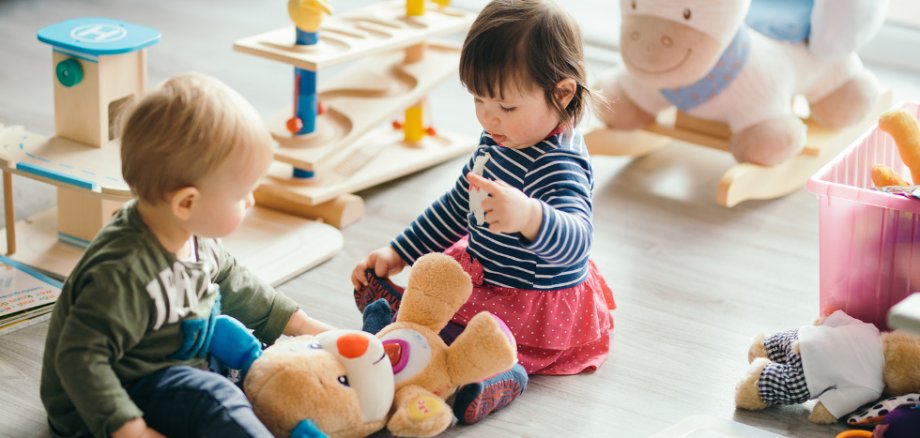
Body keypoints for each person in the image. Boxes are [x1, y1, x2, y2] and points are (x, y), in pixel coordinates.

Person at [352, 0, 616, 425]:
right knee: (439, 281)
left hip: (532, 302)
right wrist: (400, 251)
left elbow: (578, 243)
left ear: (562, 92)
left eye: (506, 106)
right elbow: (460, 205)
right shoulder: (498, 137)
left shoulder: (558, 163)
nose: (489, 117)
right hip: (488, 271)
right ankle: (404, 322)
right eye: (478, 99)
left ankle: (498, 379)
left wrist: (530, 217)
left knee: (486, 342)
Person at [40, 73, 335, 438]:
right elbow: (79, 358)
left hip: (175, 362)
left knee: (265, 369)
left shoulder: (192, 232)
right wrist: (129, 429)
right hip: (108, 401)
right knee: (218, 399)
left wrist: (302, 325)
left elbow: (233, 279)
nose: (251, 201)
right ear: (186, 202)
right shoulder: (121, 273)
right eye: (242, 193)